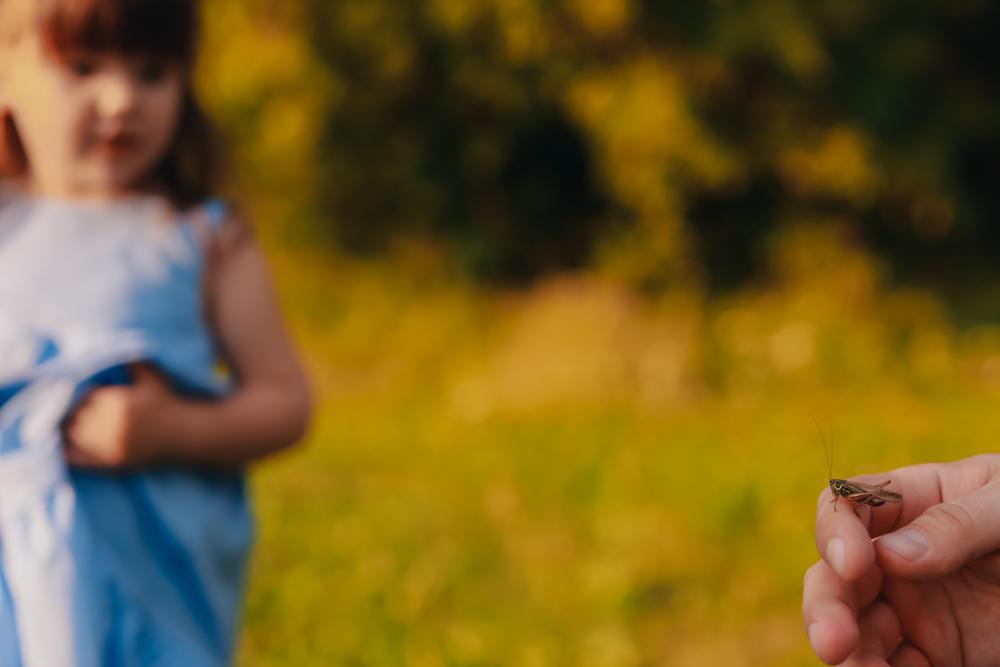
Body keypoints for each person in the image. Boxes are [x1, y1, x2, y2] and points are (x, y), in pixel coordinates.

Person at [0, 0, 312, 665]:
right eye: (82, 68)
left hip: (146, 593)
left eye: (152, 72)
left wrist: (174, 429)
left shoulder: (198, 237)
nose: (121, 100)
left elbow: (285, 400)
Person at [803, 454, 1000, 665]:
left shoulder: (844, 489)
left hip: (870, 497)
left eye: (834, 486)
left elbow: (849, 499)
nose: (833, 488)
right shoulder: (840, 490)